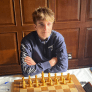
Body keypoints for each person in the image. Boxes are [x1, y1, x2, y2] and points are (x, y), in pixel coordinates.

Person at [20, 7, 68, 77]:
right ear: (35, 26)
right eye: (41, 24)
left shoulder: (58, 38)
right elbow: (26, 71)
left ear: (52, 25)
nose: (46, 28)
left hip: (52, 76)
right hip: (35, 77)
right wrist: (49, 63)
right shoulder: (26, 41)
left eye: (49, 24)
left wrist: (36, 66)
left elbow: (63, 67)